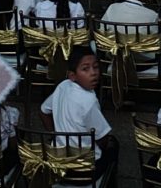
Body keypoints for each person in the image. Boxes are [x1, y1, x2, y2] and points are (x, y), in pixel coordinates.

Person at [41, 47, 119, 178]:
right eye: (85, 69)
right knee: (114, 144)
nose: (93, 73)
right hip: (84, 171)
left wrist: (56, 136)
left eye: (96, 67)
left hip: (58, 163)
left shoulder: (63, 86)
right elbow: (103, 138)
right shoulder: (89, 101)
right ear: (73, 75)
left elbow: (43, 112)